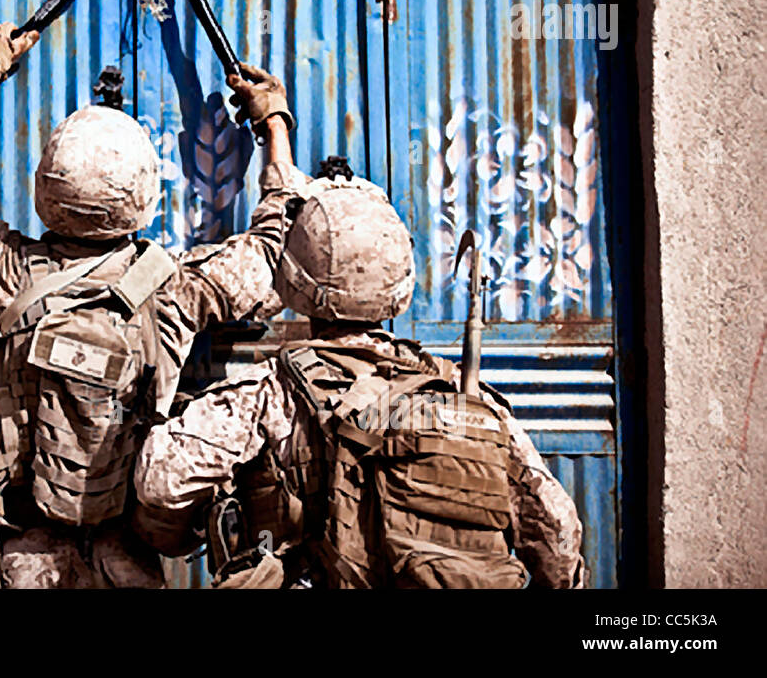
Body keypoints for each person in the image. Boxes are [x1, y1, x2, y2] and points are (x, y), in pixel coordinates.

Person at [0, 22, 304, 588]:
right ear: (142, 194)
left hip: (18, 561)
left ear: (46, 186)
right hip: (128, 564)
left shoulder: (2, 274)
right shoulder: (173, 290)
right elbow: (275, 249)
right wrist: (274, 126)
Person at [133, 168, 586, 589]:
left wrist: (189, 535)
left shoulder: (272, 394)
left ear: (295, 281)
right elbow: (558, 537)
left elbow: (161, 481)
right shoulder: (466, 399)